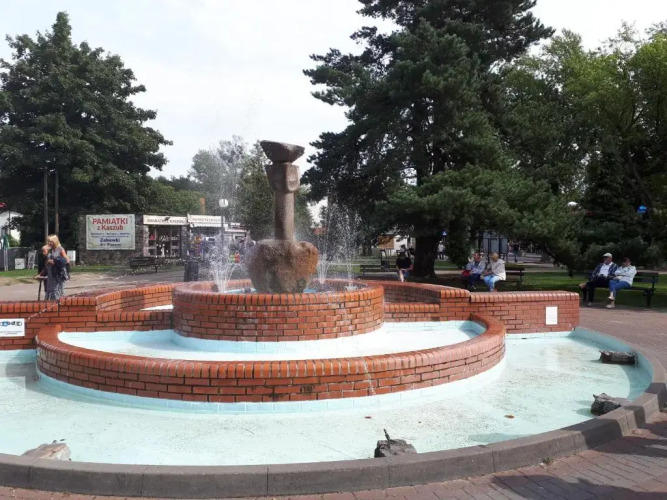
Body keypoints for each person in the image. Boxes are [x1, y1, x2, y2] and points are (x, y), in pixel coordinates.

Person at [44, 235, 70, 300]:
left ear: (55, 241)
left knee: (57, 289)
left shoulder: (60, 249)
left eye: (51, 241)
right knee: (50, 288)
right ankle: (51, 301)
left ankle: (58, 301)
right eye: (48, 241)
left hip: (58, 273)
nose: (49, 243)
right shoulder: (52, 250)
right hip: (51, 272)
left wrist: (55, 261)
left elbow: (66, 260)